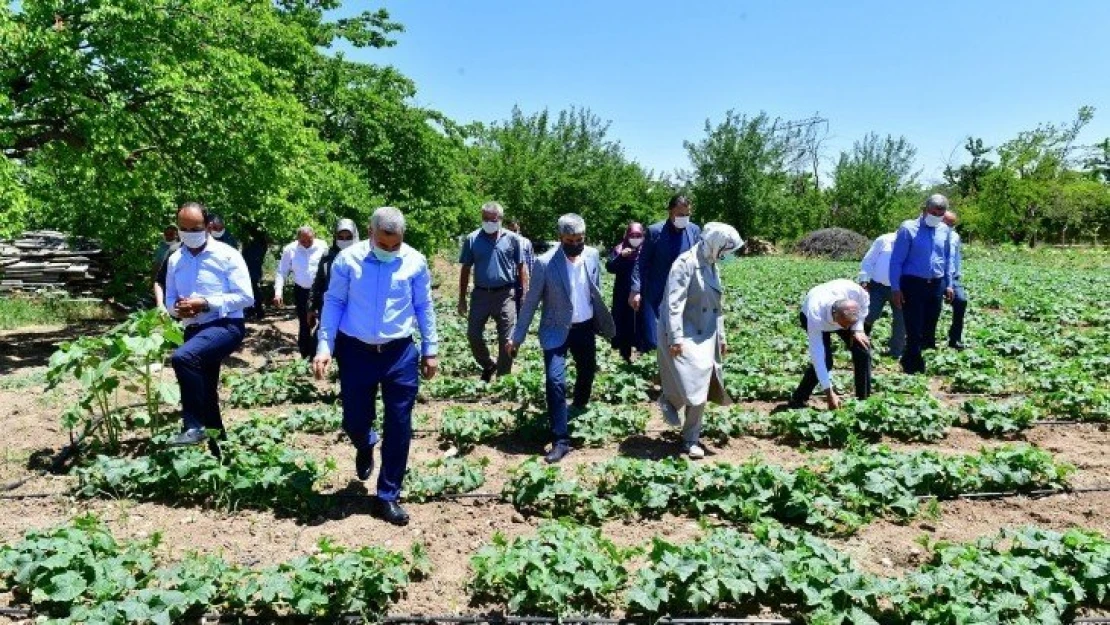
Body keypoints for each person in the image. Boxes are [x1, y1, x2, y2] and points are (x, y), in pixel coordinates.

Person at [313, 207, 439, 526]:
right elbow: (334, 302)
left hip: (399, 353)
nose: (390, 250)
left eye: (395, 245)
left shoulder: (415, 261)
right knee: (354, 419)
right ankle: (365, 441)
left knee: (399, 423)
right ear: (371, 232)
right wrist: (325, 346)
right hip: (356, 351)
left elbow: (424, 305)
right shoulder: (348, 261)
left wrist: (430, 348)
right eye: (384, 244)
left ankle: (387, 495)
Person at [506, 214, 615, 464]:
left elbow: (594, 290)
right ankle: (560, 440)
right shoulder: (545, 263)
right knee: (555, 381)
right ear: (560, 238)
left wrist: (601, 322)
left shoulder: (592, 255)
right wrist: (517, 337)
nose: (576, 243)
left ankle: (578, 406)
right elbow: (531, 301)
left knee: (587, 371)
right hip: (555, 330)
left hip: (585, 327)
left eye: (580, 239)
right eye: (570, 239)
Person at [164, 202, 254, 452]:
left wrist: (205, 303)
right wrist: (178, 309)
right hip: (194, 329)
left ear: (208, 226)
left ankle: (192, 426)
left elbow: (246, 297)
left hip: (226, 326)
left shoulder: (227, 255)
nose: (190, 233)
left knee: (183, 358)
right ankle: (221, 455)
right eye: (184, 228)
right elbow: (169, 299)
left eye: (196, 228)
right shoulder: (175, 260)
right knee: (207, 396)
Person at [657, 223, 743, 459]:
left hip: (705, 333)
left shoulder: (712, 264)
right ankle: (669, 398)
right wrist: (674, 337)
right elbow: (673, 304)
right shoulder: (684, 264)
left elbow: (718, 306)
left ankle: (690, 439)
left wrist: (722, 336)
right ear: (715, 244)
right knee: (688, 381)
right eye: (726, 250)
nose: (727, 257)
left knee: (701, 384)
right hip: (682, 331)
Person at [457, 202, 528, 381]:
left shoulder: (513, 239)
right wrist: (462, 298)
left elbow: (522, 267)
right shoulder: (472, 239)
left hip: (506, 294)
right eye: (485, 219)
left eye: (493, 219)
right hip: (481, 294)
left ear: (500, 219)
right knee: (473, 334)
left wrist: (525, 294)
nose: (489, 222)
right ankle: (488, 364)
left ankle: (503, 377)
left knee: (507, 338)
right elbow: (465, 269)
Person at [890, 194, 956, 374]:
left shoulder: (945, 230)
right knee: (914, 325)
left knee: (930, 325)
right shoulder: (908, 228)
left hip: (936, 284)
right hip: (913, 283)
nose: (937, 216)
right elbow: (896, 261)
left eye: (940, 213)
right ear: (925, 210)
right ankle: (912, 365)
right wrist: (896, 288)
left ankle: (913, 357)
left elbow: (947, 259)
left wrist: (949, 284)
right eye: (934, 212)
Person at [629, 195, 702, 353]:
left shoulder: (694, 230)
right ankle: (654, 366)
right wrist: (635, 290)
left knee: (681, 333)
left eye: (687, 214)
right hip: (657, 291)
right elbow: (641, 262)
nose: (684, 218)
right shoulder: (655, 231)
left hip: (684, 290)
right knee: (656, 336)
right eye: (680, 214)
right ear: (670, 212)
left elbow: (699, 260)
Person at [788, 279, 872, 410]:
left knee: (862, 349)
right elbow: (817, 355)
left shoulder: (855, 291)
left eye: (849, 325)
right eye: (844, 325)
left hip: (844, 314)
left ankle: (863, 400)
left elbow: (865, 303)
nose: (846, 329)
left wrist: (858, 329)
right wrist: (829, 393)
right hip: (812, 317)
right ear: (835, 316)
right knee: (826, 361)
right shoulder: (815, 315)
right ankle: (799, 398)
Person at [273, 226, 328, 359]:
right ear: (298, 239)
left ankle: (319, 352)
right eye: (303, 241)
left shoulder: (323, 246)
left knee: (324, 321)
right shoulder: (290, 249)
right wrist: (278, 292)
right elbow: (282, 271)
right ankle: (305, 356)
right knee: (304, 323)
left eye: (309, 240)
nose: (306, 244)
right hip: (301, 291)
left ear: (313, 236)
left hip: (320, 291)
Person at [858, 231, 905, 359]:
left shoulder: (912, 244)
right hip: (877, 286)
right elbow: (869, 260)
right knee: (868, 315)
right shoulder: (884, 240)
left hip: (901, 289)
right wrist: (864, 280)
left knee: (901, 320)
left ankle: (896, 351)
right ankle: (859, 345)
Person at [605, 221, 646, 363]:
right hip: (622, 293)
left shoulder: (646, 250)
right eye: (632, 235)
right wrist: (621, 257)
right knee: (624, 323)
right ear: (627, 235)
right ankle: (625, 354)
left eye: (638, 235)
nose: (635, 238)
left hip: (642, 293)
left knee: (641, 323)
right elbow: (610, 267)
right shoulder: (619, 249)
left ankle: (643, 353)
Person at [309, 219, 359, 329]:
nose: (344, 241)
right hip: (329, 310)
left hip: (355, 313)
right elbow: (318, 283)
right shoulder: (327, 256)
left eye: (348, 237)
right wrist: (312, 308)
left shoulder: (363, 258)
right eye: (340, 237)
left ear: (355, 237)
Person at [943, 210, 968, 349]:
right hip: (937, 277)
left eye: (952, 224)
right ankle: (926, 339)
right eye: (947, 222)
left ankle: (955, 338)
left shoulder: (955, 237)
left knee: (961, 301)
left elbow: (955, 257)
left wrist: (955, 275)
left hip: (953, 277)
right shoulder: (931, 234)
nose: (950, 226)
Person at [505, 218, 534, 314]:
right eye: (511, 230)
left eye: (515, 230)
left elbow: (530, 262)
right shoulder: (503, 243)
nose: (513, 233)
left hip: (521, 279)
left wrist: (529, 281)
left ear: (519, 228)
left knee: (521, 305)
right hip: (508, 279)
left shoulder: (526, 242)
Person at [240, 225, 269, 320]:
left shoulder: (252, 244)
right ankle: (256, 310)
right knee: (254, 290)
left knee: (253, 290)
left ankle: (254, 311)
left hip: (251, 270)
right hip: (253, 270)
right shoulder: (260, 243)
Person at [152, 226, 179, 312]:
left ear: (176, 235)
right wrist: (153, 280)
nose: (168, 236)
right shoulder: (161, 247)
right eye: (166, 234)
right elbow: (156, 265)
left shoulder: (181, 248)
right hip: (162, 279)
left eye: (171, 234)